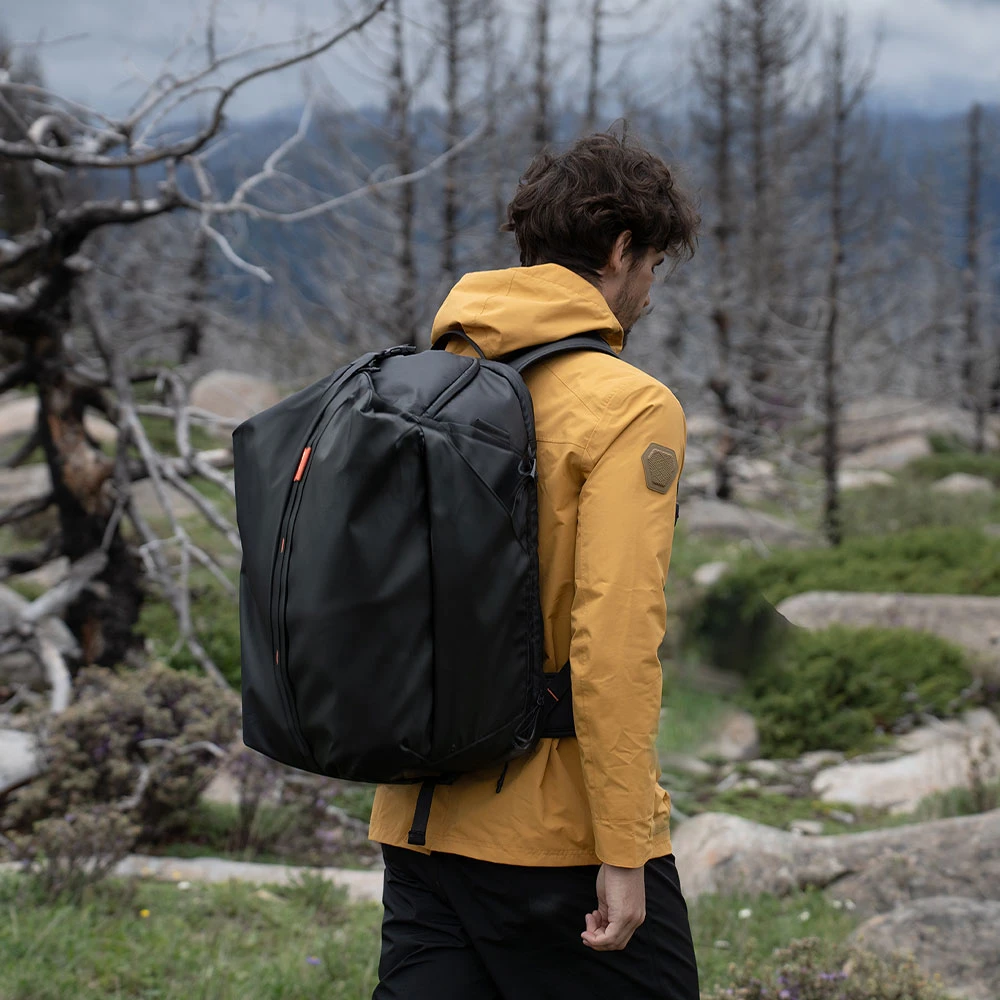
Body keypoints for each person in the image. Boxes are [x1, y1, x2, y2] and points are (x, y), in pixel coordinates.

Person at [368, 129, 701, 999]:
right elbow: (614, 643)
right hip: (551, 834)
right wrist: (625, 847)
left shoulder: (419, 381)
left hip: (418, 818)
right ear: (620, 250)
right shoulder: (629, 406)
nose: (649, 290)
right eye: (654, 265)